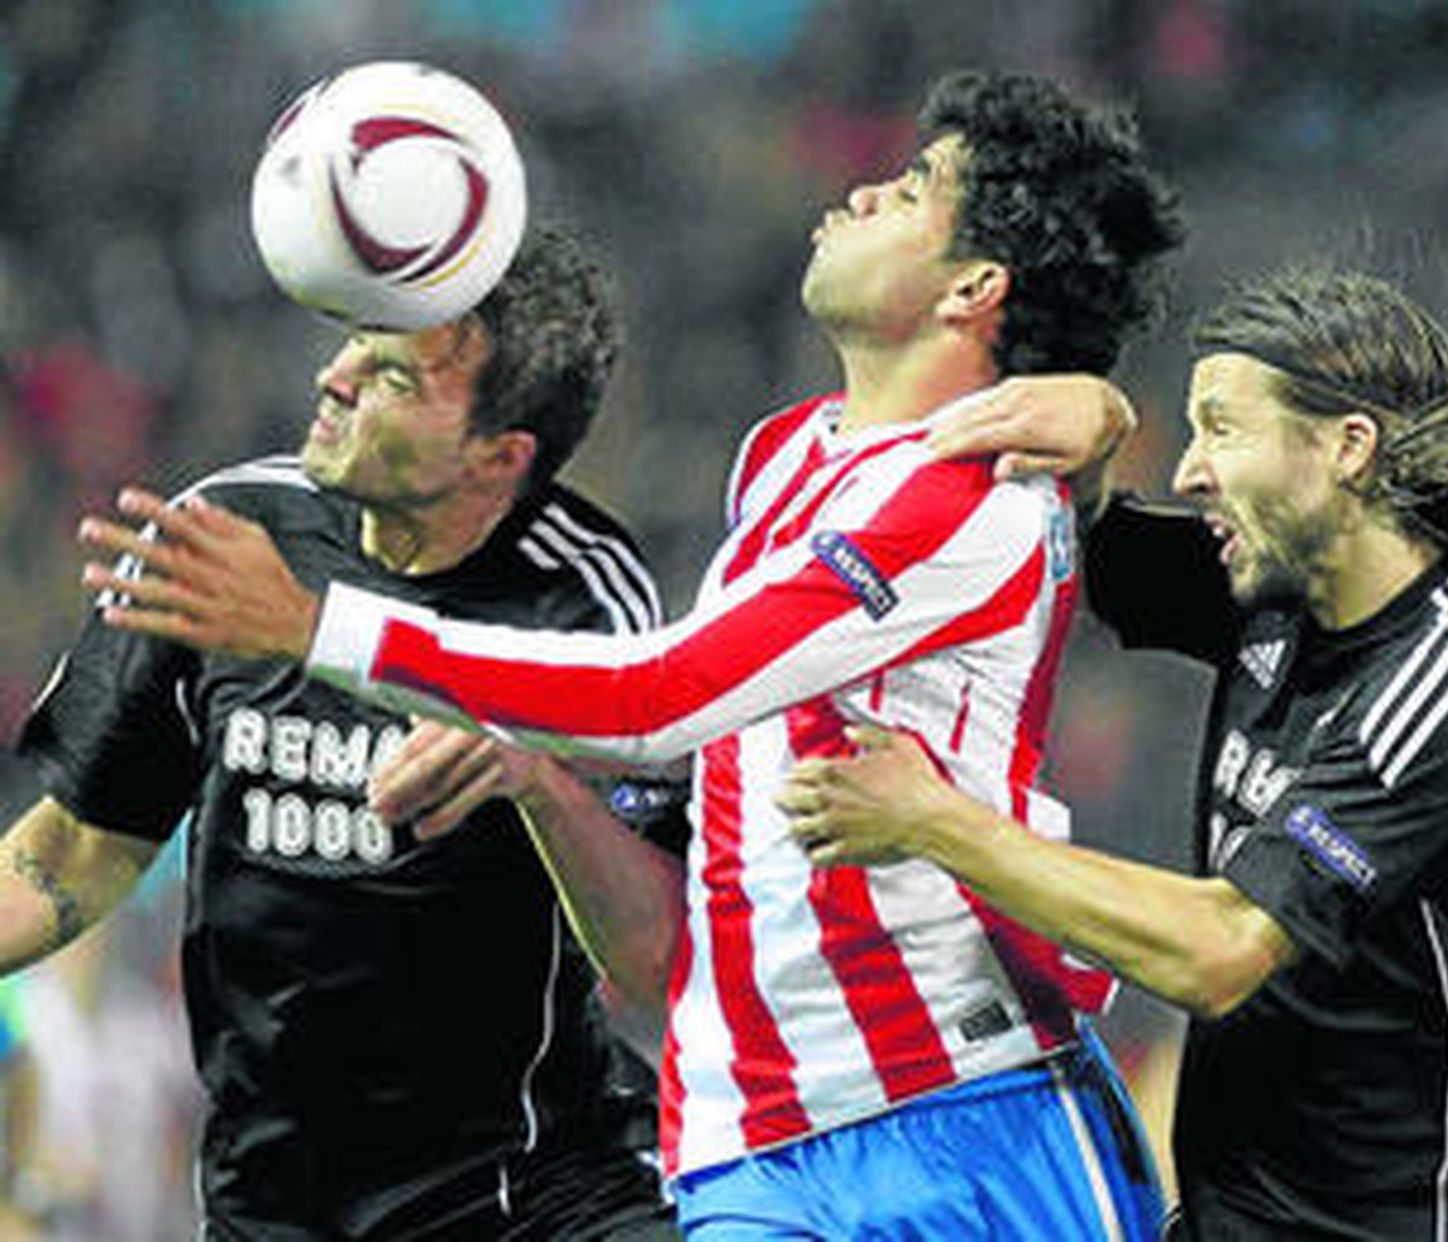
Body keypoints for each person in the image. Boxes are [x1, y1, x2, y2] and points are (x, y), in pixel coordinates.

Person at [77, 69, 1185, 1239]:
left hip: (959, 1116)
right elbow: (680, 935)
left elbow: (659, 697)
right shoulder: (783, 459)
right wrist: (531, 773)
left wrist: (315, 626)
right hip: (744, 1145)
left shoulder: (971, 497)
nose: (861, 193)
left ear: (975, 286)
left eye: (910, 190)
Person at [777, 267, 1448, 1239]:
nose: (1189, 470)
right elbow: (1084, 539)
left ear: (1346, 447)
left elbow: (1221, 951)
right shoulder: (1276, 584)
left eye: (1223, 427)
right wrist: (1094, 423)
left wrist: (937, 822)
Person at [13, 227, 689, 1238]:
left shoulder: (582, 602)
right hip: (275, 1205)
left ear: (496, 456)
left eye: (393, 377)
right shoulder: (225, 539)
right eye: (355, 343)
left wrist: (540, 783)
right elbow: (69, 858)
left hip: (533, 1197)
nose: (332, 377)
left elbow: (656, 959)